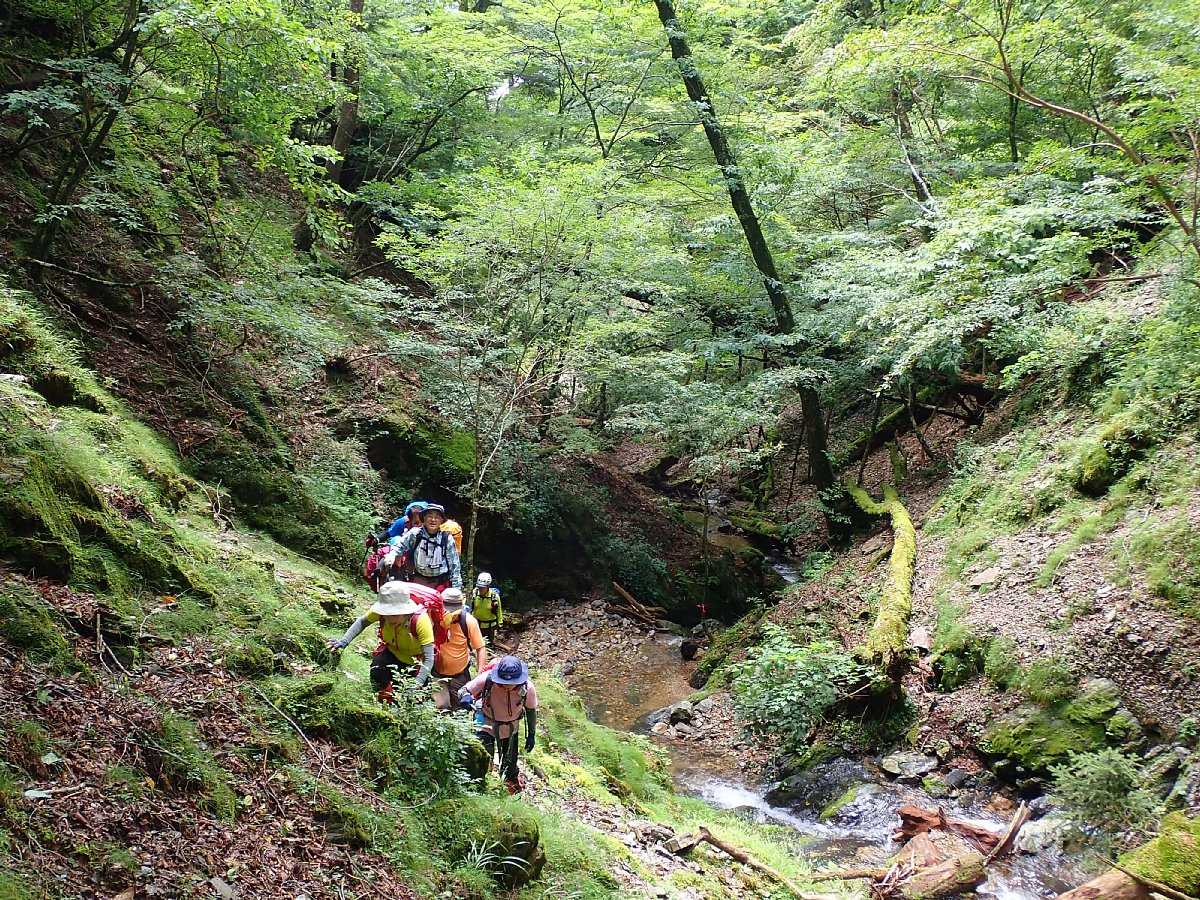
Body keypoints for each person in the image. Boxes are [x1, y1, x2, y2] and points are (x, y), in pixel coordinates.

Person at [327, 581, 435, 703]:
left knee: (414, 699)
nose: (388, 618)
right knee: (377, 672)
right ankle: (383, 702)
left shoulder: (420, 621)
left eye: (394, 615)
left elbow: (429, 658)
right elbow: (362, 622)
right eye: (386, 613)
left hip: (417, 662)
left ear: (406, 612)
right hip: (392, 653)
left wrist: (417, 683)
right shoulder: (380, 613)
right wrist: (344, 642)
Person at [459, 655, 537, 793]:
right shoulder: (487, 679)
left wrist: (531, 734)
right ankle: (478, 786)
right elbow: (464, 690)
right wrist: (465, 697)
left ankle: (509, 786)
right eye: (504, 682)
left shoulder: (528, 688)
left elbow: (531, 711)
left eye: (511, 683)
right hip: (485, 723)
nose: (507, 686)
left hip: (511, 728)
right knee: (482, 757)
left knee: (510, 762)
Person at [433, 587, 487, 706]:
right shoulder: (435, 620)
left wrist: (480, 674)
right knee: (441, 706)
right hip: (437, 673)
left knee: (461, 706)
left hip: (460, 674)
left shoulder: (468, 621)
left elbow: (480, 648)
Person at [388, 503, 462, 589]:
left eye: (437, 517)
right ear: (424, 518)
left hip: (441, 582)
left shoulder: (446, 538)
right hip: (419, 581)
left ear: (441, 520)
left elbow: (454, 565)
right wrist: (391, 555)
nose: (433, 520)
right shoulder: (415, 534)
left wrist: (456, 588)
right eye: (430, 516)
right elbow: (399, 546)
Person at [470, 571, 503, 645]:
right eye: (479, 587)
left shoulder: (494, 597)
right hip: (476, 624)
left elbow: (499, 611)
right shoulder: (474, 593)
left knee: (488, 645)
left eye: (483, 587)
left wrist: (500, 624)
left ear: (488, 586)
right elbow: (471, 607)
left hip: (489, 626)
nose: (480, 589)